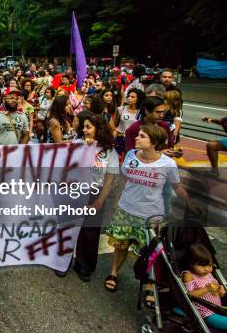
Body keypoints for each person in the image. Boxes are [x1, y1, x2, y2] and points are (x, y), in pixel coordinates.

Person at [104, 124, 198, 295]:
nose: (136, 138)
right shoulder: (131, 155)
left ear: (154, 142)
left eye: (142, 136)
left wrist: (191, 205)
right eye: (138, 135)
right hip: (125, 210)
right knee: (120, 246)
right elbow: (123, 180)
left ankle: (149, 285)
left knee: (151, 253)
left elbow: (177, 186)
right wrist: (115, 203)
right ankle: (113, 273)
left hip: (151, 217)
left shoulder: (167, 163)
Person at [66, 114, 119, 281]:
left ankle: (84, 266)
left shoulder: (110, 152)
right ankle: (62, 262)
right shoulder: (77, 144)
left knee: (90, 232)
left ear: (99, 129)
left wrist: (99, 201)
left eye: (88, 127)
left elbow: (109, 180)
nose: (84, 130)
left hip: (95, 193)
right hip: (75, 191)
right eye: (84, 127)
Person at [181, 244, 227, 330]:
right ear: (191, 264)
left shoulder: (208, 274)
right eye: (202, 265)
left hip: (218, 309)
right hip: (206, 313)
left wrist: (221, 291)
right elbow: (189, 296)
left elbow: (216, 292)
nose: (207, 269)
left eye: (210, 265)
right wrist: (207, 289)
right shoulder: (189, 275)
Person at [114, 88, 145, 156]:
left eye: (133, 97)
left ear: (138, 99)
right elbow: (114, 125)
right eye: (128, 96)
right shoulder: (120, 109)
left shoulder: (141, 112)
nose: (129, 98)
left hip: (135, 140)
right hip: (121, 139)